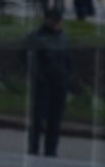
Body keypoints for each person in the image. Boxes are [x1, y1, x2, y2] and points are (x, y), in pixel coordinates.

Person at [24, 9, 73, 158]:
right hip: (43, 84)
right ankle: (34, 149)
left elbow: (69, 61)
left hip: (59, 85)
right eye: (54, 21)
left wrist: (68, 79)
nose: (57, 24)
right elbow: (29, 60)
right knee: (38, 119)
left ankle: (50, 150)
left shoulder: (63, 39)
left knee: (55, 120)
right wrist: (38, 76)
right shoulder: (38, 38)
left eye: (58, 21)